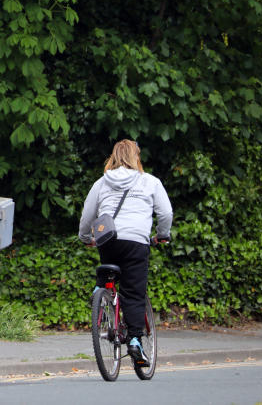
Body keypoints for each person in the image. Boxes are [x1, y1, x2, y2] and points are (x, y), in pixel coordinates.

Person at [78, 139, 173, 367]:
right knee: (133, 292)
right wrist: (162, 234)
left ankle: (102, 292)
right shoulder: (150, 182)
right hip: (136, 244)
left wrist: (85, 238)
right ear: (136, 157)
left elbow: (87, 215)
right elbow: (166, 213)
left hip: (107, 240)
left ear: (113, 157)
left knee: (109, 270)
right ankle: (134, 341)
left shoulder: (102, 182)